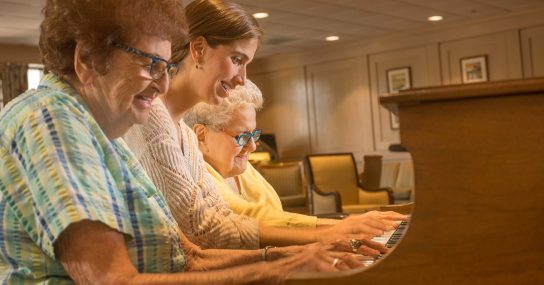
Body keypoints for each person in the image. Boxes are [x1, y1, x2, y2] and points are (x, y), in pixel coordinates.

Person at [0, 1, 365, 284]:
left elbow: (187, 256)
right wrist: (279, 268)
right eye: (150, 65)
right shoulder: (51, 120)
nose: (161, 85)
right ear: (87, 61)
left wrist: (289, 257)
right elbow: (113, 280)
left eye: (165, 67)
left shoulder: (102, 133)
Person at [124, 0, 402, 252]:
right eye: (237, 60)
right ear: (198, 49)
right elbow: (203, 230)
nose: (241, 79)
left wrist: (333, 232)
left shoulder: (183, 131)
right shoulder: (151, 119)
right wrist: (325, 236)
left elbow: (225, 219)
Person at [184, 79, 407, 230]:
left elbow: (276, 216)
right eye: (242, 136)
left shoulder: (243, 169)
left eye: (254, 134)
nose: (252, 146)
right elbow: (250, 219)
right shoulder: (196, 177)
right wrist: (341, 226)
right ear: (201, 135)